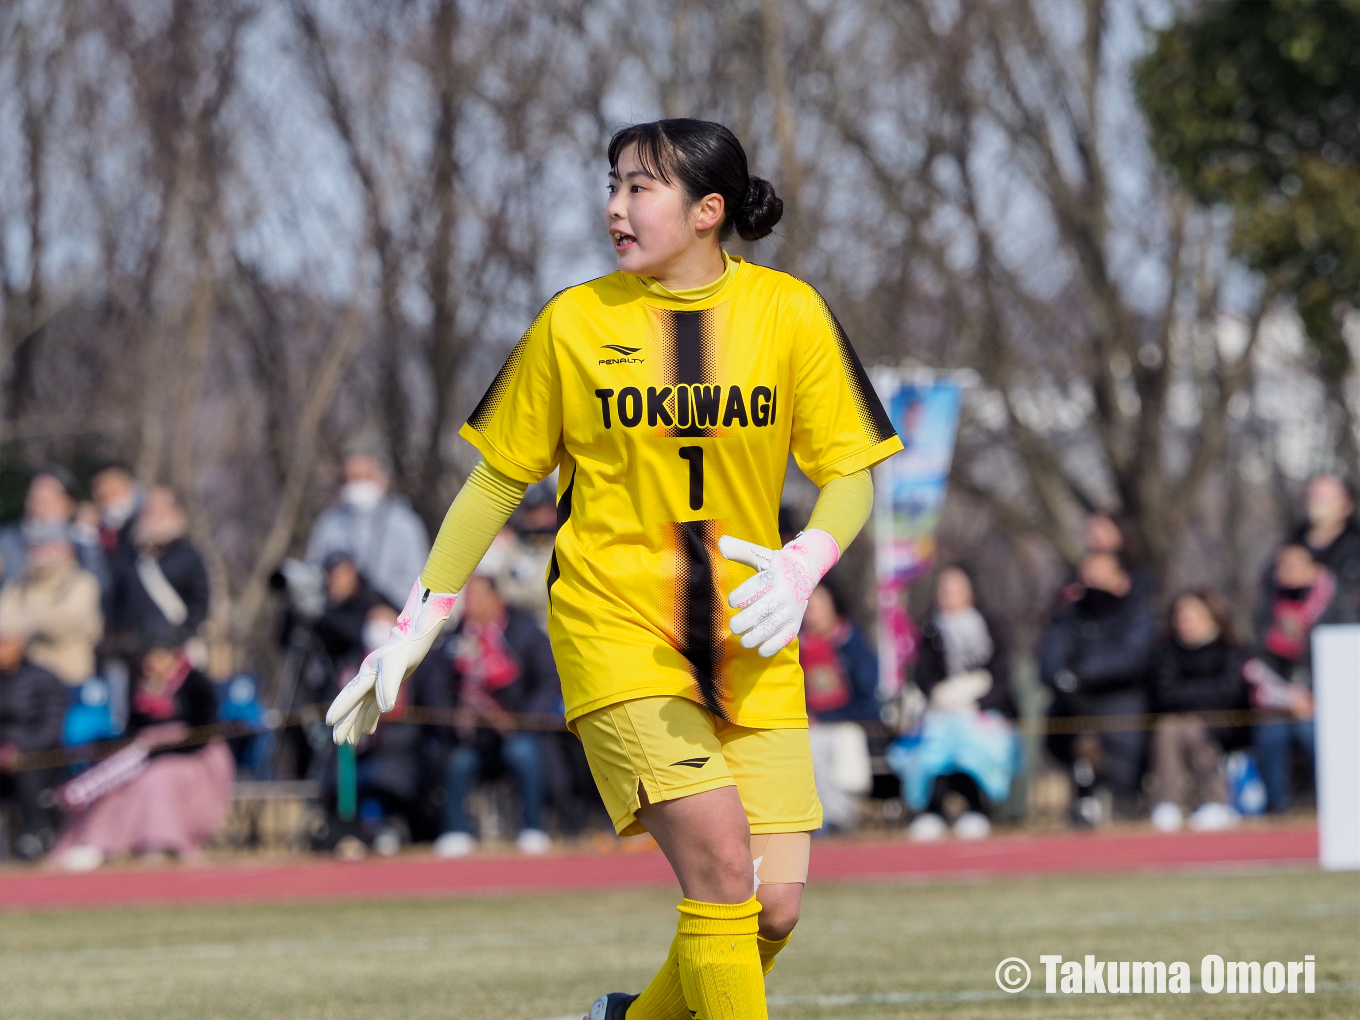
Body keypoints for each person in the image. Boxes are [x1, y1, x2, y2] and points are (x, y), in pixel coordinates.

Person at [324, 118, 902, 1020]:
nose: (615, 208)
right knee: (718, 869)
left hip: (750, 633)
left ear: (709, 211)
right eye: (612, 185)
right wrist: (416, 625)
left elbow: (853, 476)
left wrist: (805, 563)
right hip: (615, 632)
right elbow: (494, 484)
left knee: (774, 908)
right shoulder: (572, 321)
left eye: (641, 188)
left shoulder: (790, 311)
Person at [50, 627, 233, 870]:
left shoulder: (196, 683)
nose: (151, 663)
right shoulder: (140, 683)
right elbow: (133, 728)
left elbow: (203, 731)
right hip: (146, 752)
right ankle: (96, 843)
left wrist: (159, 751)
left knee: (155, 779)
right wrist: (115, 749)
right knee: (114, 779)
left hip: (194, 758)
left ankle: (161, 841)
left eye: (157, 656)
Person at [430, 574, 561, 857]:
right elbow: (437, 685)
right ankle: (456, 830)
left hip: (519, 730)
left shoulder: (524, 632)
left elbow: (549, 681)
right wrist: (454, 719)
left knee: (523, 754)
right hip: (472, 737)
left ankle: (533, 827)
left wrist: (522, 719)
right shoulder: (455, 639)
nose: (471, 603)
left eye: (477, 596)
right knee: (457, 762)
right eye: (468, 597)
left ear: (496, 599)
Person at [892, 566, 1017, 841]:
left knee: (971, 749)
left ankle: (975, 808)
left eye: (956, 588)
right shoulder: (930, 630)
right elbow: (922, 676)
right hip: (939, 712)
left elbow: (1003, 679)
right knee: (931, 751)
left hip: (981, 713)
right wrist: (940, 696)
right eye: (944, 588)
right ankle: (932, 810)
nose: (948, 594)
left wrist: (976, 702)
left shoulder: (991, 628)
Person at [1039, 550, 1156, 825]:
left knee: (1117, 752)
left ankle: (1124, 800)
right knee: (1077, 733)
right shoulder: (1069, 617)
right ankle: (1086, 799)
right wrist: (1066, 680)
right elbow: (1050, 661)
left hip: (1121, 702)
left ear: (1122, 580)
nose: (1093, 585)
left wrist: (1081, 673)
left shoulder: (1137, 614)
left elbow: (1131, 657)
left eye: (1101, 577)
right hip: (1074, 707)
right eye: (1088, 578)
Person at [1245, 543, 1337, 813]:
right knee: (1271, 734)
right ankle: (1278, 808)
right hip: (1281, 702)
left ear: (1315, 569)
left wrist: (1315, 697)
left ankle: (1329, 805)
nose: (1285, 571)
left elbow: (1341, 657)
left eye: (1294, 564)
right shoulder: (1267, 608)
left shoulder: (1335, 605)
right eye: (1281, 565)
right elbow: (1258, 661)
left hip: (1325, 702)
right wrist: (1285, 696)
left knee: (1313, 734)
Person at [1148, 590, 1249, 832]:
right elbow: (1165, 694)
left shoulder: (1231, 650)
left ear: (1212, 617)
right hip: (1178, 722)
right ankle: (1168, 803)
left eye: (1193, 615)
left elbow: (1229, 692)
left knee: (1193, 728)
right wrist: (1201, 696)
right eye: (1181, 616)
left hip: (1225, 727)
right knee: (1168, 729)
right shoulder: (1166, 653)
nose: (1186, 622)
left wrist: (1192, 699)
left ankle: (1216, 800)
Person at [797, 583, 878, 833]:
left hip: (849, 722)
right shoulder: (794, 646)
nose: (813, 611)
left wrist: (825, 716)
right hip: (807, 724)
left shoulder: (852, 645)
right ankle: (819, 815)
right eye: (808, 605)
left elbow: (867, 698)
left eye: (819, 604)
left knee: (830, 741)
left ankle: (836, 815)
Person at [305, 449, 430, 609]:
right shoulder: (329, 523)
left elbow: (418, 582)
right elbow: (312, 572)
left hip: (390, 616)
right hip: (334, 616)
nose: (356, 486)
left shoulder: (404, 524)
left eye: (362, 478)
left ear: (381, 479)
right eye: (350, 479)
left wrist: (387, 609)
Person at [106, 486, 211, 659]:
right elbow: (116, 602)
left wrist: (177, 638)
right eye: (149, 507)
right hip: (133, 653)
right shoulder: (128, 556)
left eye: (160, 508)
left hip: (175, 652)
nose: (152, 513)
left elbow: (199, 604)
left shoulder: (188, 557)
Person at [0, 522, 103, 686]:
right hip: (26, 678)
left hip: (70, 676)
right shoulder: (19, 584)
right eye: (36, 546)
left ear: (67, 549)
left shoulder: (81, 582)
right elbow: (5, 624)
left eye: (49, 545)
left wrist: (24, 623)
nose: (42, 552)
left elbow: (62, 622)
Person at [0, 620, 68, 859]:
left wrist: (19, 749)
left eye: (5, 644)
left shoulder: (43, 679)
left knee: (28, 769)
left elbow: (51, 728)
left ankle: (34, 832)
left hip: (38, 755)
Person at [0, 467, 108, 593]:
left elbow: (102, 587)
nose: (40, 506)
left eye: (49, 499)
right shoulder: (9, 539)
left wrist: (87, 538)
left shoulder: (81, 539)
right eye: (35, 498)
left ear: (70, 505)